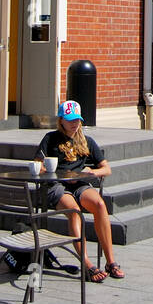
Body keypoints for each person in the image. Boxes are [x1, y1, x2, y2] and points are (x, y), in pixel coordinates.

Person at [34, 101, 123, 281]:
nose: (74, 123)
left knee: (99, 204)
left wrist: (92, 172)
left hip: (79, 184)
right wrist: (48, 171)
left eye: (77, 120)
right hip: (57, 185)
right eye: (70, 120)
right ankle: (87, 264)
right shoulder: (50, 139)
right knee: (74, 211)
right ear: (61, 121)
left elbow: (107, 169)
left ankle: (111, 261)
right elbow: (37, 164)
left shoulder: (87, 141)